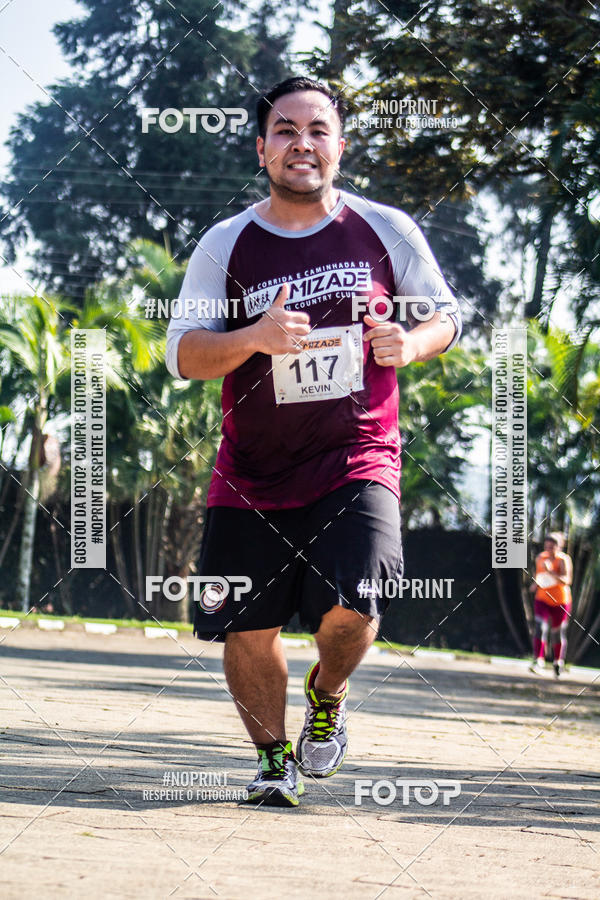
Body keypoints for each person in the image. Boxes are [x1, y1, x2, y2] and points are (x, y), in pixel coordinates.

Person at [166, 76, 462, 807]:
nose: (303, 144)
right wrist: (254, 337)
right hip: (252, 472)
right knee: (246, 627)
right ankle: (273, 761)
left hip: (358, 456)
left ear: (341, 145)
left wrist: (410, 343)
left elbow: (445, 316)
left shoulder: (385, 228)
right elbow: (184, 355)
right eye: (286, 131)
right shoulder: (225, 243)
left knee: (359, 600)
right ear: (261, 148)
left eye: (318, 130)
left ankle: (327, 694)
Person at [529, 532, 573, 678]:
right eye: (547, 546)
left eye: (552, 546)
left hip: (560, 601)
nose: (549, 549)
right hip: (542, 598)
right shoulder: (540, 558)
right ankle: (539, 661)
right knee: (540, 627)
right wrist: (535, 584)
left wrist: (551, 571)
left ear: (559, 546)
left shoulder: (564, 559)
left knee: (557, 633)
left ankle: (558, 663)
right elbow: (540, 576)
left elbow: (567, 580)